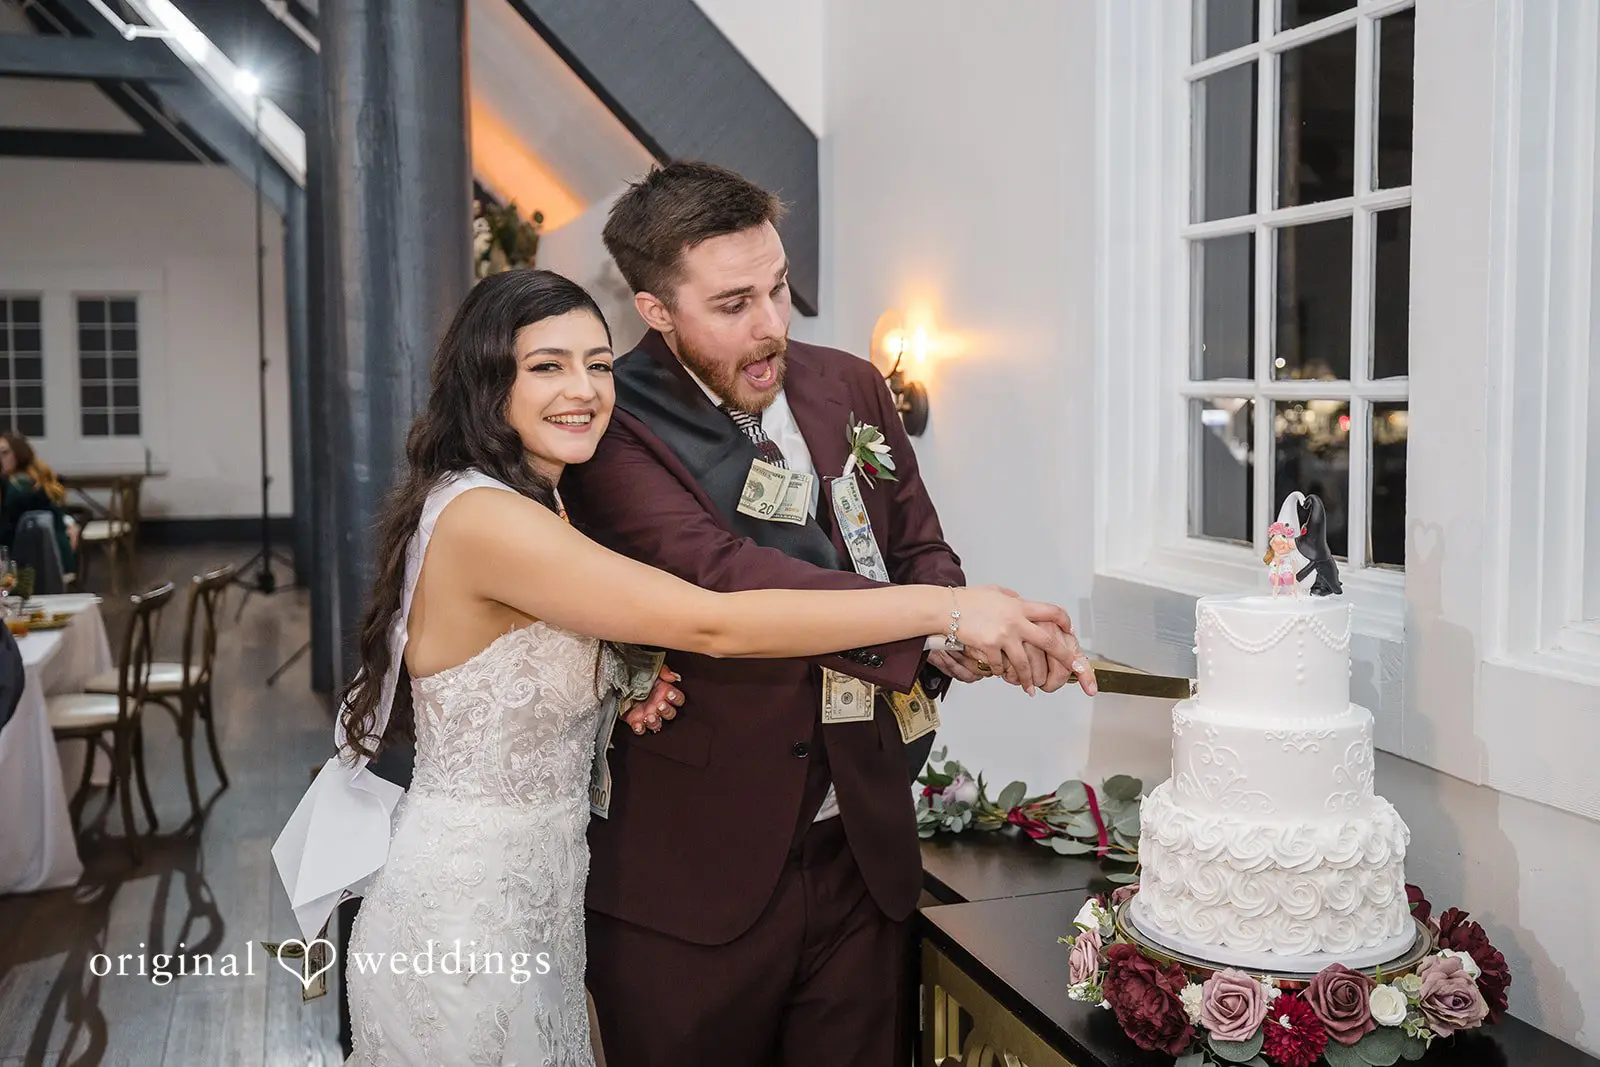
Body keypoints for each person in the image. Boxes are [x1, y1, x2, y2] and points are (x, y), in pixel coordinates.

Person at [315, 269, 1076, 1066]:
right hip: (469, 915)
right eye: (547, 365)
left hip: (534, 897)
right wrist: (945, 609)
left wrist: (627, 681)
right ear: (484, 378)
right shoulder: (488, 520)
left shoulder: (526, 500)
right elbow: (714, 619)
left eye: (598, 364)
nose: (583, 390)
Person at [562, 161, 1098, 1067]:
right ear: (656, 310)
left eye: (778, 287)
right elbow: (723, 578)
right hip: (692, 877)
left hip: (861, 851)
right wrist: (947, 613)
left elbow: (920, 547)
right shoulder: (613, 424)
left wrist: (948, 639)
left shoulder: (850, 385)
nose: (771, 324)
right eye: (732, 305)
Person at [0, 432, 76, 574]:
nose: (1, 458)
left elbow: (7, 530)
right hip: (59, 557)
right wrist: (69, 522)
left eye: (5, 453)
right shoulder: (36, 477)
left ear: (19, 454)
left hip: (34, 564)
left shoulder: (19, 486)